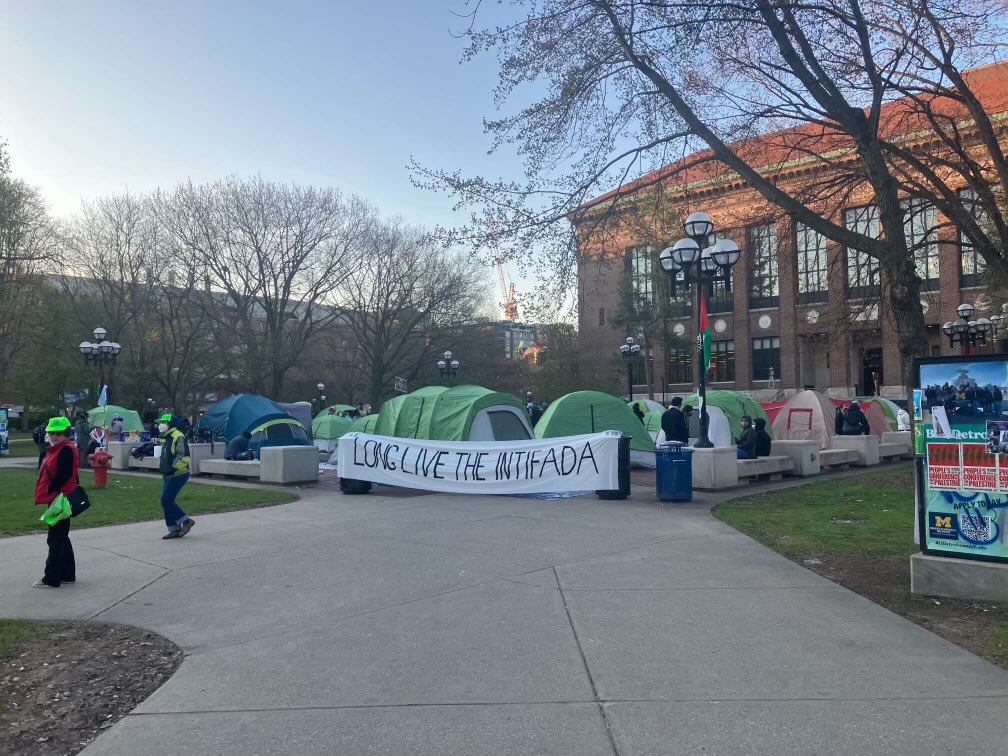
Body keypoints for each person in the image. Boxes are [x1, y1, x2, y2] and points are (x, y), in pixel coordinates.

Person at [33, 417, 78, 588]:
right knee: (61, 537)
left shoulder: (65, 450)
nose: (54, 436)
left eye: (58, 434)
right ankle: (67, 574)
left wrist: (52, 489)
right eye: (52, 433)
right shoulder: (57, 449)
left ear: (65, 434)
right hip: (58, 497)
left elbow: (65, 473)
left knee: (55, 539)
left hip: (59, 499)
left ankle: (51, 577)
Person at [157, 413, 195, 540]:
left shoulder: (178, 436)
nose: (160, 425)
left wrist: (173, 467)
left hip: (178, 473)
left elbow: (183, 456)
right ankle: (174, 529)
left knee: (165, 501)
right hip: (168, 474)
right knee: (167, 501)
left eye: (164, 422)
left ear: (170, 424)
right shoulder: (166, 437)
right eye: (160, 422)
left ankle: (186, 520)